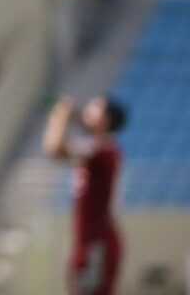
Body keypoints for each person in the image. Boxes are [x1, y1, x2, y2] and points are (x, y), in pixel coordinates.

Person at [43, 95, 127, 295]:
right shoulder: (96, 147)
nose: (87, 109)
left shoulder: (102, 150)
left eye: (94, 107)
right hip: (87, 238)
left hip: (97, 242)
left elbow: (54, 148)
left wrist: (61, 115)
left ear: (105, 119)